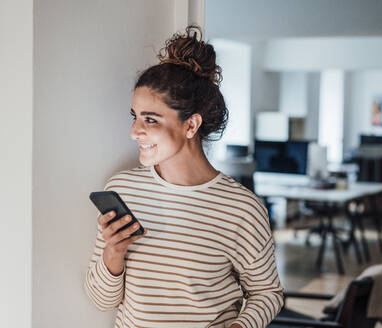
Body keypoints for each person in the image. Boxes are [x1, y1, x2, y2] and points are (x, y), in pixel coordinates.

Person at [84, 25, 284, 328]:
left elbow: (267, 293)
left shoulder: (242, 209)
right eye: (135, 117)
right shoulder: (122, 189)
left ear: (191, 126)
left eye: (150, 119)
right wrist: (114, 251)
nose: (134, 131)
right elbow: (102, 300)